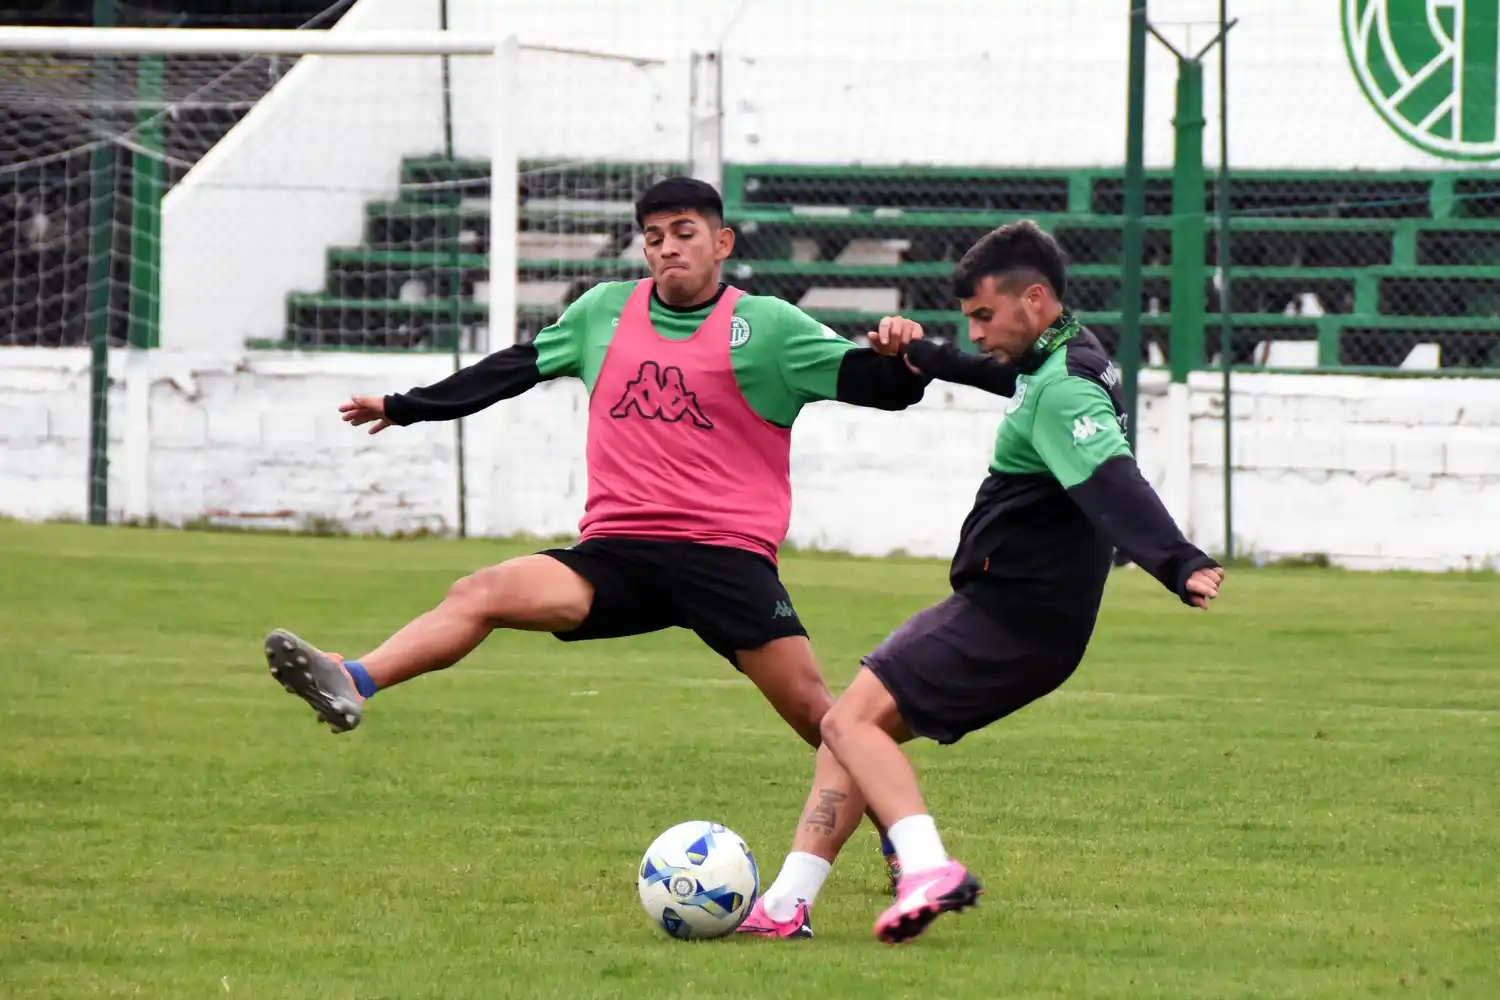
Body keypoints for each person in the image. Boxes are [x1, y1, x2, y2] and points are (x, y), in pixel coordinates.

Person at [261, 176, 929, 882]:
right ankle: (353, 679)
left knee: (822, 718)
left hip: (724, 558)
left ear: (722, 242)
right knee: (481, 591)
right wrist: (407, 406)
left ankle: (903, 840)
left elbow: (880, 387)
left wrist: (900, 355)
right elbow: (514, 367)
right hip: (616, 555)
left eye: (685, 233)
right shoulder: (603, 312)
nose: (667, 248)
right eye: (654, 237)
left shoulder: (767, 327)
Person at [735, 220, 1225, 943]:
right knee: (850, 737)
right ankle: (784, 907)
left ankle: (927, 867)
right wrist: (929, 356)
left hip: (1008, 616)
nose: (977, 331)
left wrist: (1177, 561)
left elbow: (1112, 478)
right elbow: (1004, 376)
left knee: (846, 723)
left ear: (1035, 299)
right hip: (1023, 618)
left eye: (985, 315)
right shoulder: (1066, 356)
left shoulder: (1065, 390)